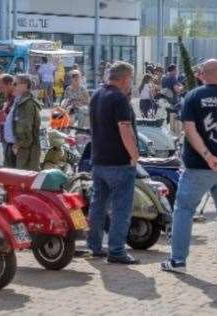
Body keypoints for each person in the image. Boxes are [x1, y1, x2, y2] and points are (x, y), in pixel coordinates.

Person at [161, 59, 217, 274]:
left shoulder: (193, 96)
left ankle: (178, 261)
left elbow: (189, 129)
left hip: (198, 167)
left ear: (201, 74)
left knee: (184, 210)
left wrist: (207, 155)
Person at [85, 61, 140, 264]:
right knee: (121, 209)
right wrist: (134, 155)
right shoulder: (119, 99)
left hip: (99, 159)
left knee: (98, 205)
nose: (131, 84)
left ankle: (94, 245)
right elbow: (125, 129)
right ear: (125, 78)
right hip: (119, 162)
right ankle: (116, 250)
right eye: (131, 80)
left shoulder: (97, 95)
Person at [5, 74, 41, 171]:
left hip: (24, 150)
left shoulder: (27, 104)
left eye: (15, 83)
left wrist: (19, 145)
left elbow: (25, 129)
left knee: (22, 179)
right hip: (16, 147)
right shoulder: (19, 101)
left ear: (24, 86)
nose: (13, 86)